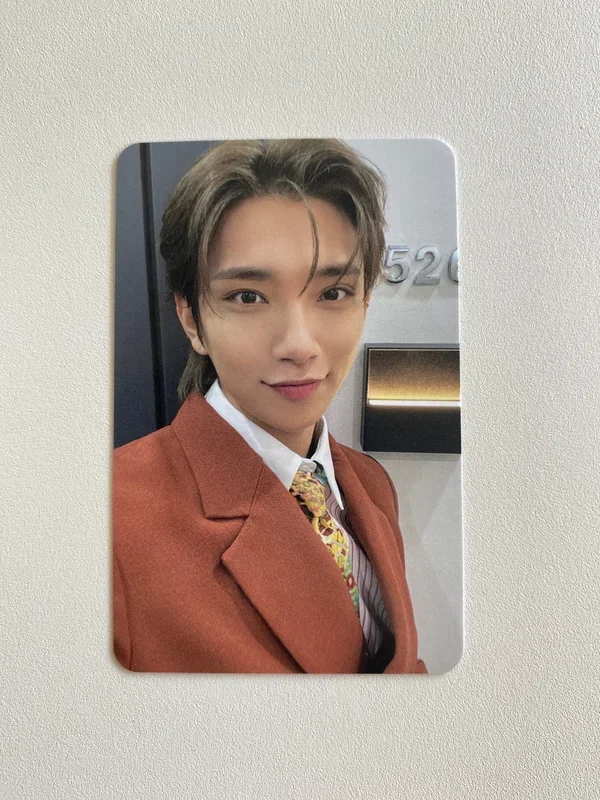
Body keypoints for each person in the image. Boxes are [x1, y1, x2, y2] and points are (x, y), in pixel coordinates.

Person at [113, 138, 427, 674]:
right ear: (191, 319)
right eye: (248, 297)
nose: (300, 345)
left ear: (365, 300)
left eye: (333, 293)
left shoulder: (369, 484)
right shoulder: (112, 523)